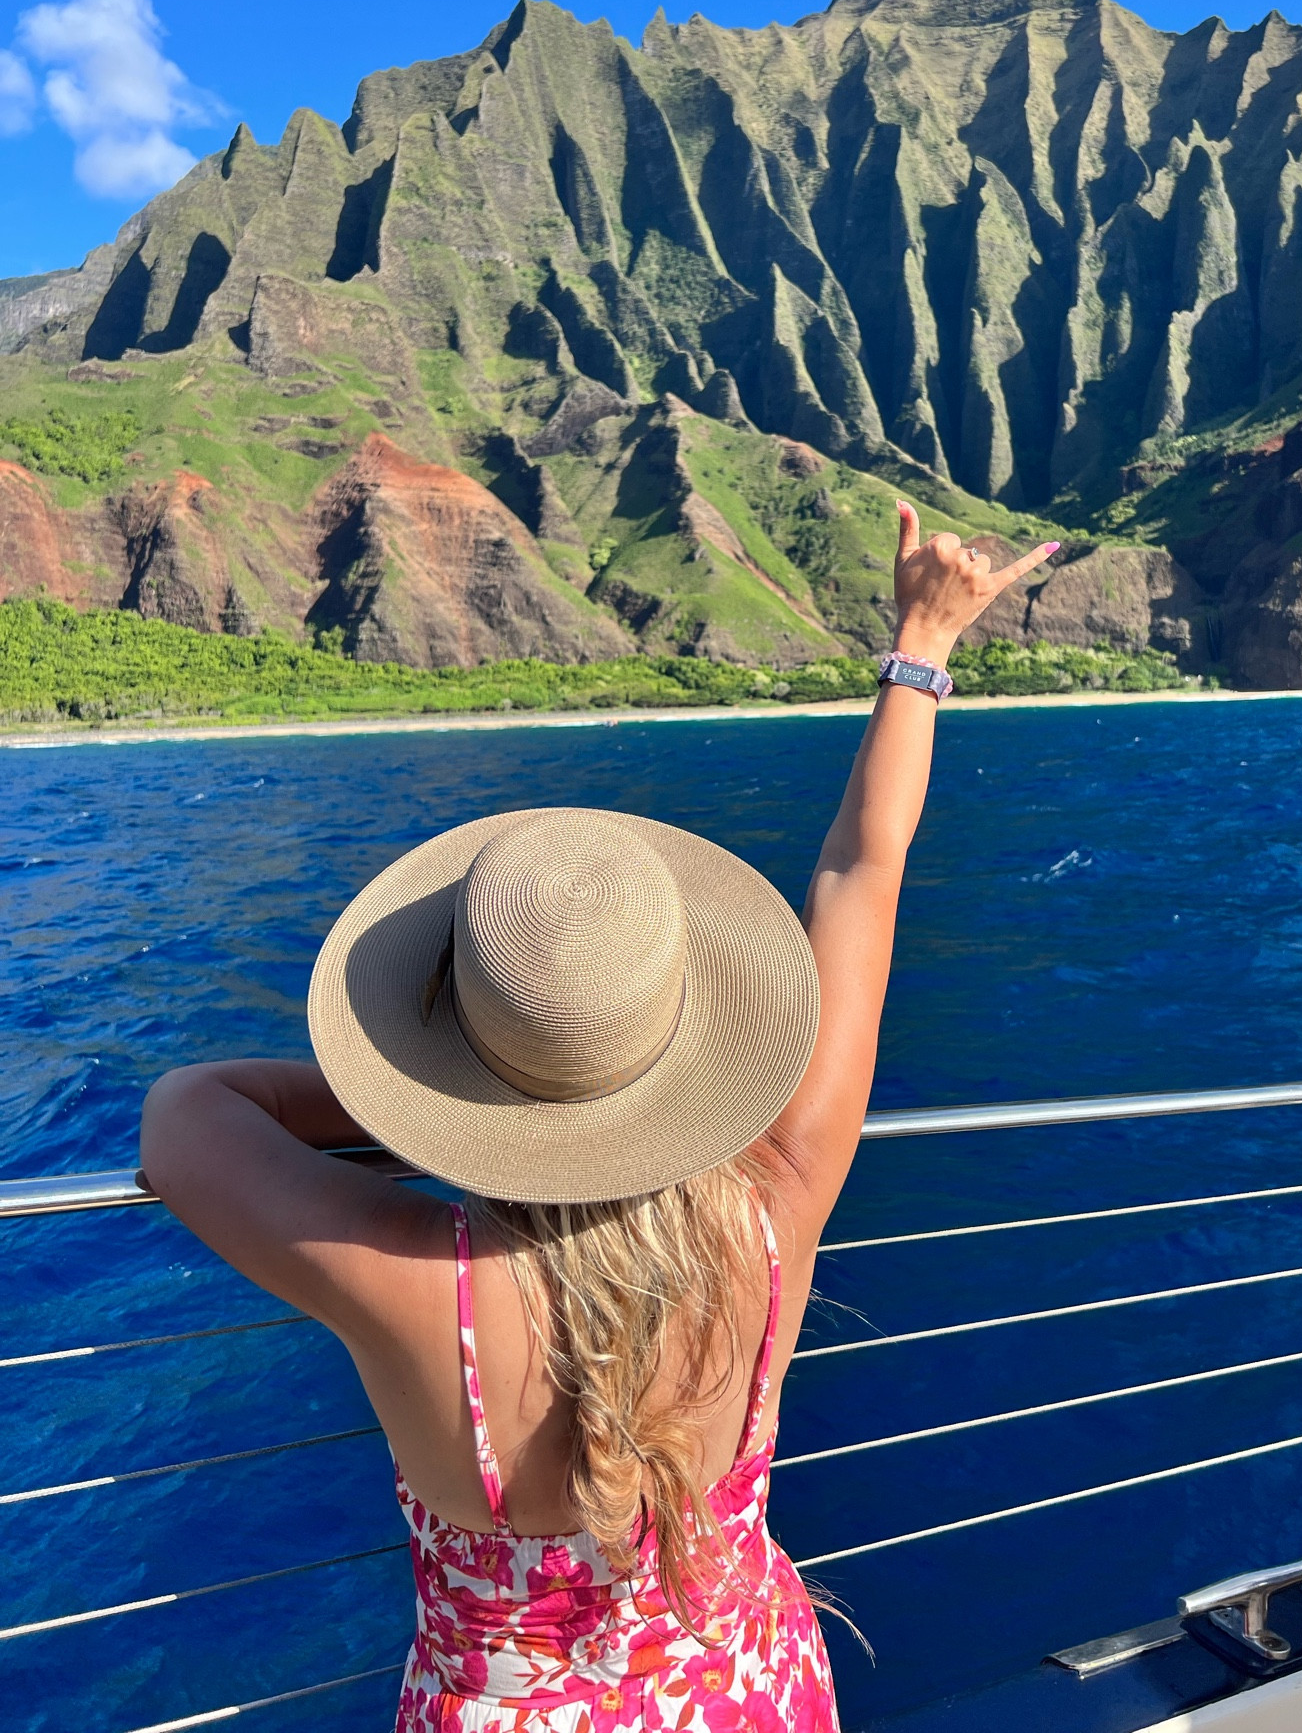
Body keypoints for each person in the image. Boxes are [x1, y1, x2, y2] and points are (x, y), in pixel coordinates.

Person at [140, 505, 1059, 1733]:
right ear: (686, 1035)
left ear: (452, 1062)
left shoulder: (418, 1286)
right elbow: (861, 868)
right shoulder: (778, 1203)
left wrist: (420, 1106)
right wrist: (924, 640)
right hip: (751, 1693)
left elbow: (187, 1112)